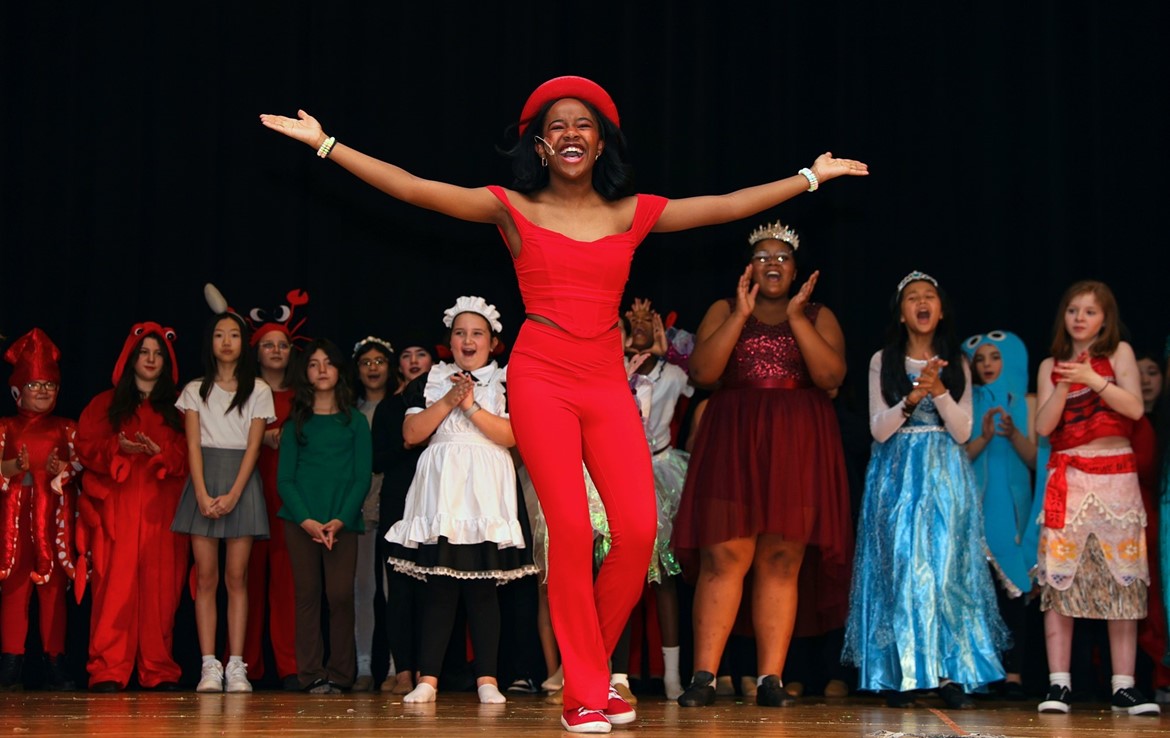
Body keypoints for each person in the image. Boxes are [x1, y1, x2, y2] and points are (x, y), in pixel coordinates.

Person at [261, 75, 866, 733]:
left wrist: (809, 176)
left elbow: (724, 205)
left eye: (584, 124)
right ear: (541, 147)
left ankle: (589, 673)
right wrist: (326, 145)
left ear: (600, 143)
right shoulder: (511, 208)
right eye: (558, 126)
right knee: (573, 532)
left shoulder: (629, 212)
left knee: (637, 532)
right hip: (542, 374)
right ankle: (584, 693)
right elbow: (414, 190)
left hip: (605, 378)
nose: (571, 133)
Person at [673, 222, 853, 708]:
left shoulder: (817, 314)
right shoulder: (724, 310)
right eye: (762, 256)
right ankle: (704, 676)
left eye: (783, 257)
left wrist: (795, 319)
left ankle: (771, 678)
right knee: (724, 557)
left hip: (796, 446)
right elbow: (704, 374)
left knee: (781, 560)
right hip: (734, 441)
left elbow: (832, 375)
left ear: (796, 271)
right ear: (748, 267)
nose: (773, 263)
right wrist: (741, 316)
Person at [842, 271, 1008, 709]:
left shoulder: (957, 362)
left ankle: (953, 672)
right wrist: (914, 398)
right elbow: (879, 431)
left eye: (929, 296)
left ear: (940, 309)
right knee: (900, 568)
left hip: (945, 473)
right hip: (897, 475)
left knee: (947, 569)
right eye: (912, 297)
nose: (921, 303)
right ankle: (902, 672)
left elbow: (963, 430)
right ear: (901, 313)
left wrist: (941, 392)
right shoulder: (884, 360)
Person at [385, 296, 537, 705]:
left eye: (477, 334)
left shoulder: (507, 380)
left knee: (484, 587)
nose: (468, 341)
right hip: (444, 487)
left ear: (492, 341)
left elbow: (510, 436)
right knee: (439, 584)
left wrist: (470, 407)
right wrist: (450, 400)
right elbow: (412, 433)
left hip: (486, 485)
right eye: (460, 333)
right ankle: (427, 680)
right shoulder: (432, 379)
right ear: (449, 341)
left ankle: (488, 679)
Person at [1033, 281, 1158, 716]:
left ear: (1105, 318)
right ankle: (1059, 684)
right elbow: (1044, 427)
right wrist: (1067, 384)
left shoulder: (1118, 353)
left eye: (1090, 311)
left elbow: (1136, 409)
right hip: (1069, 480)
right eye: (1073, 310)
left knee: (1123, 580)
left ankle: (1123, 686)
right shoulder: (1050, 363)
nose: (1080, 318)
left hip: (1116, 480)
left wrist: (1092, 378)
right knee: (1060, 582)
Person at [76, 323, 188, 692]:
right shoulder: (104, 404)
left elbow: (194, 456)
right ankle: (108, 668)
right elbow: (85, 447)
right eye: (145, 352)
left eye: (158, 353)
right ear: (131, 358)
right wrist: (116, 449)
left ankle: (158, 669)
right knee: (114, 588)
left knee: (162, 590)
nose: (151, 359)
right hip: (117, 509)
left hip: (163, 508)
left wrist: (164, 455)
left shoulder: (180, 407)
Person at [170, 312, 274, 693]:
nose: (226, 341)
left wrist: (233, 494)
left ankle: (236, 665)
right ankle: (208, 664)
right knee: (206, 577)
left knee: (237, 577)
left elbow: (253, 448)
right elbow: (193, 445)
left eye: (233, 335)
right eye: (219, 334)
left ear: (242, 343)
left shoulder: (258, 389)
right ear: (210, 343)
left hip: (241, 482)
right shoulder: (195, 389)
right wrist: (200, 493)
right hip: (204, 478)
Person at [277, 338, 372, 693]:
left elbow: (362, 477)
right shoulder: (296, 423)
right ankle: (311, 673)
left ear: (338, 370)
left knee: (340, 596)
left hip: (342, 524)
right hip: (301, 523)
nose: (321, 370)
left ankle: (341, 673)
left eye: (328, 363)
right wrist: (307, 521)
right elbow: (284, 480)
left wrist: (340, 520)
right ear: (305, 373)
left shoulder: (356, 422)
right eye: (314, 364)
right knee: (307, 596)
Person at [0, 329, 80, 691]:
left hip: (54, 523)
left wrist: (60, 471)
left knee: (53, 593)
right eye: (35, 384)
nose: (43, 390)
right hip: (12, 525)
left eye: (49, 384)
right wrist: (12, 470)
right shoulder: (4, 427)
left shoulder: (67, 428)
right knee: (15, 591)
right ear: (18, 390)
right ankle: (11, 663)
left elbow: (80, 466)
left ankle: (55, 662)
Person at [961, 330, 1038, 699]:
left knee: (1014, 590)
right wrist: (986, 436)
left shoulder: (1028, 402)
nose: (988, 365)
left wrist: (1013, 435)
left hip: (1012, 509)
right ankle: (978, 670)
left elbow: (1038, 461)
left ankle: (1013, 673)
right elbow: (957, 461)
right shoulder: (965, 402)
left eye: (995, 357)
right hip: (975, 508)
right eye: (981, 359)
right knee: (977, 591)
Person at [373, 335, 434, 694]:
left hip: (436, 504)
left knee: (435, 591)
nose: (413, 361)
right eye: (406, 354)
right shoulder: (389, 408)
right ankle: (403, 671)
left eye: (420, 353)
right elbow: (377, 460)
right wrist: (408, 443)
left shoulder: (446, 401)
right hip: (398, 504)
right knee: (399, 591)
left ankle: (432, 671)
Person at [243, 321, 299, 689]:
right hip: (249, 490)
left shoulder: (302, 396)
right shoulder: (244, 394)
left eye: (283, 344)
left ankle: (290, 666)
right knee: (245, 579)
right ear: (257, 351)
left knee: (287, 581)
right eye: (268, 345)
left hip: (289, 496)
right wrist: (262, 436)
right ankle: (245, 664)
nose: (276, 351)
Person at [351, 335, 394, 692]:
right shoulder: (349, 410)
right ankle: (364, 666)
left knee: (393, 587)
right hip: (360, 502)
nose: (373, 367)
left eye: (379, 361)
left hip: (394, 501)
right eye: (366, 362)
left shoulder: (399, 407)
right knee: (362, 587)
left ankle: (397, 667)